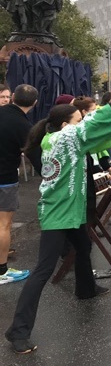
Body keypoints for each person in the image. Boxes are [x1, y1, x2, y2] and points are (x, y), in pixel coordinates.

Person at [4, 91, 111, 354]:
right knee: (43, 270)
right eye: (78, 119)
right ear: (66, 125)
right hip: (57, 212)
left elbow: (94, 135)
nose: (82, 121)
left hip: (72, 209)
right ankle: (17, 331)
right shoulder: (59, 139)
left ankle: (85, 289)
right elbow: (90, 126)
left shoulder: (65, 139)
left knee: (84, 247)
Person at [0, 84, 38, 285]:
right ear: (34, 103)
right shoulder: (24, 126)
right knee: (3, 225)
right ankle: (1, 271)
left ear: (13, 97)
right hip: (4, 178)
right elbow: (34, 153)